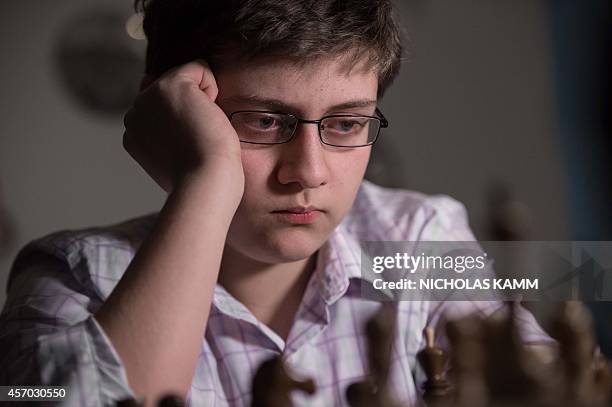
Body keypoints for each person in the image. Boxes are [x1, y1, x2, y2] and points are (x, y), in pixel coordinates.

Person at [0, 1, 552, 406]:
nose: (308, 172)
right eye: (263, 121)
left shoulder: (417, 235)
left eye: (345, 123)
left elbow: (550, 379)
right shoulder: (72, 277)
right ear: (171, 117)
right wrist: (208, 178)